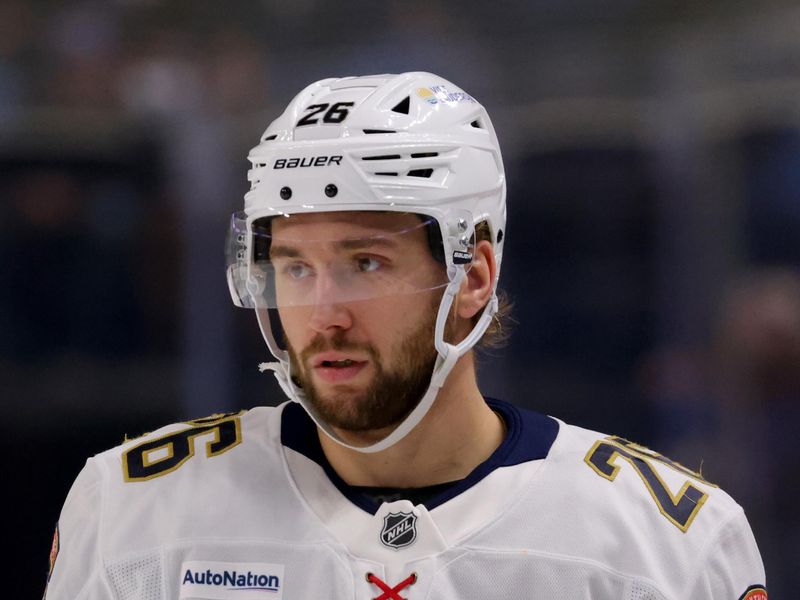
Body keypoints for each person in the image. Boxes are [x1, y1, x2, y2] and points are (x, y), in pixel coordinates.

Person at [45, 72, 767, 600]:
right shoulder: (136, 510)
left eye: (365, 263)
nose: (324, 313)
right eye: (295, 268)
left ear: (474, 274)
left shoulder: (663, 541)